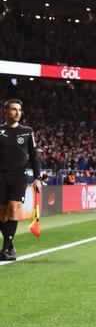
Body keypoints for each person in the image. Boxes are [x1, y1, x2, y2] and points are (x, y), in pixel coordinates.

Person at [0, 99, 41, 262]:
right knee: (2, 215)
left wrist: (37, 178)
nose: (17, 113)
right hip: (1, 176)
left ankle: (5, 249)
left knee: (13, 210)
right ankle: (10, 246)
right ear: (5, 111)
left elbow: (34, 156)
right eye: (13, 109)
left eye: (19, 110)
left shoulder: (27, 131)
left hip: (18, 176)